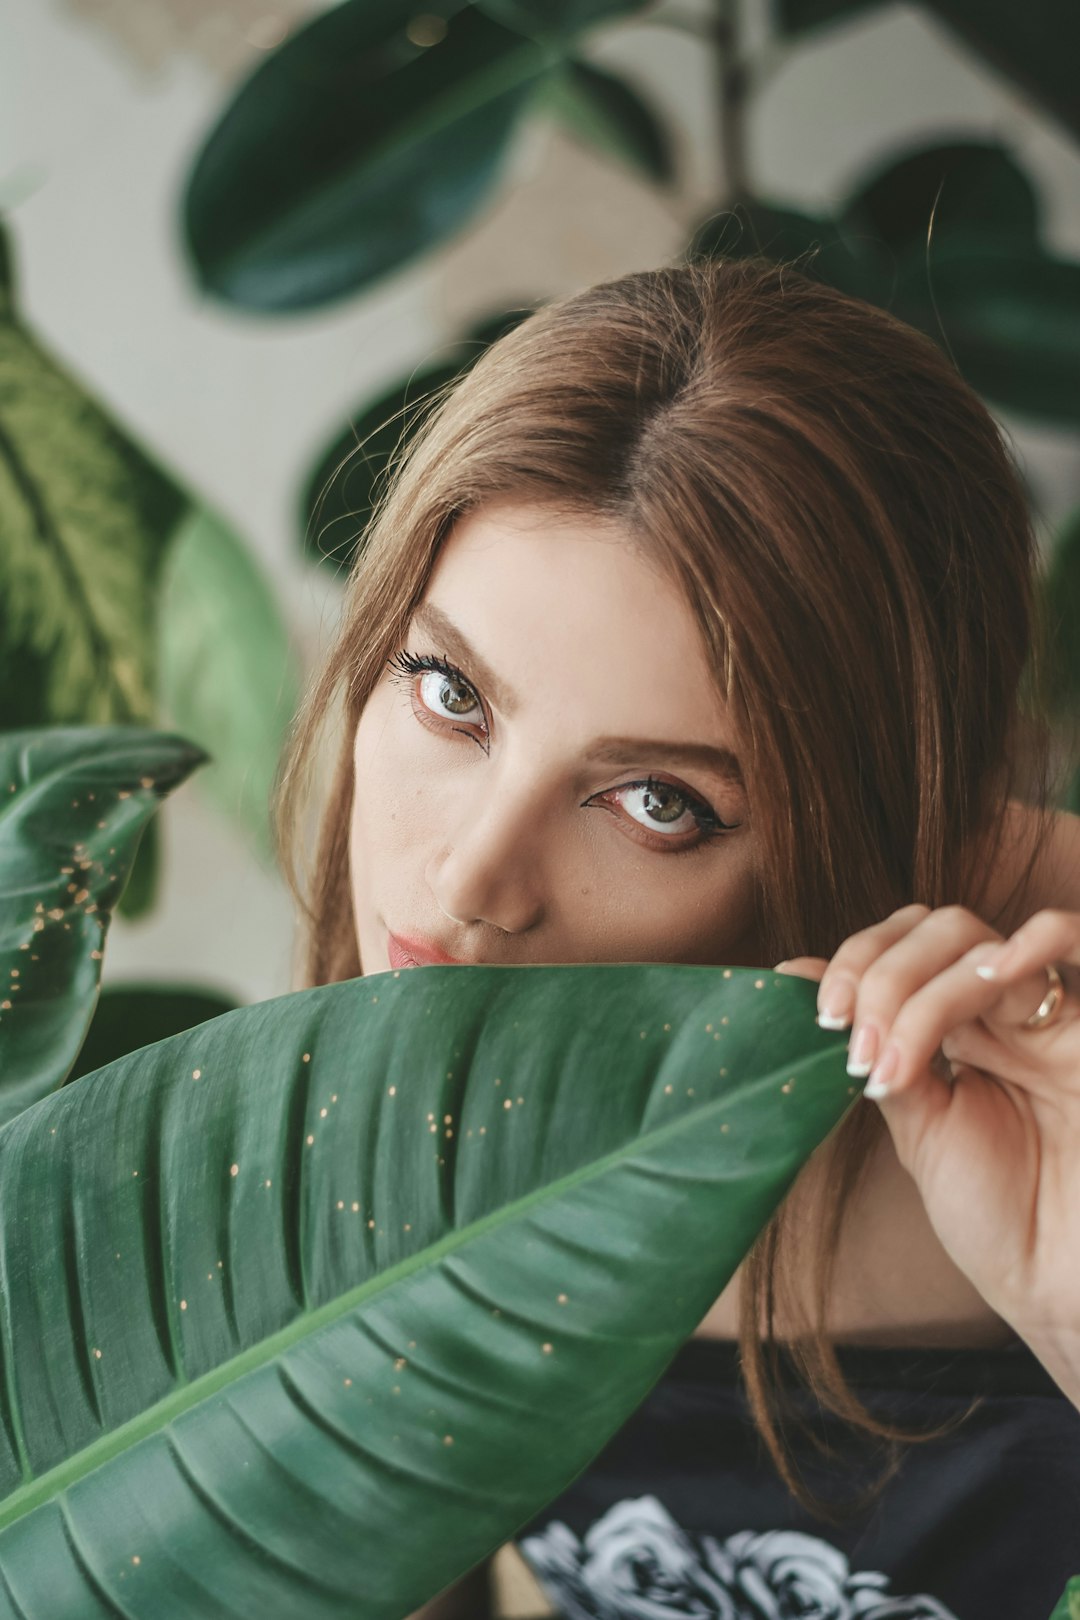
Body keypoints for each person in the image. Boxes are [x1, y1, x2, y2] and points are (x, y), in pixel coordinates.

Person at [273, 256, 1080, 1619]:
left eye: (656, 802)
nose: (472, 877)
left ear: (873, 819)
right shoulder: (411, 1043)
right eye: (451, 689)